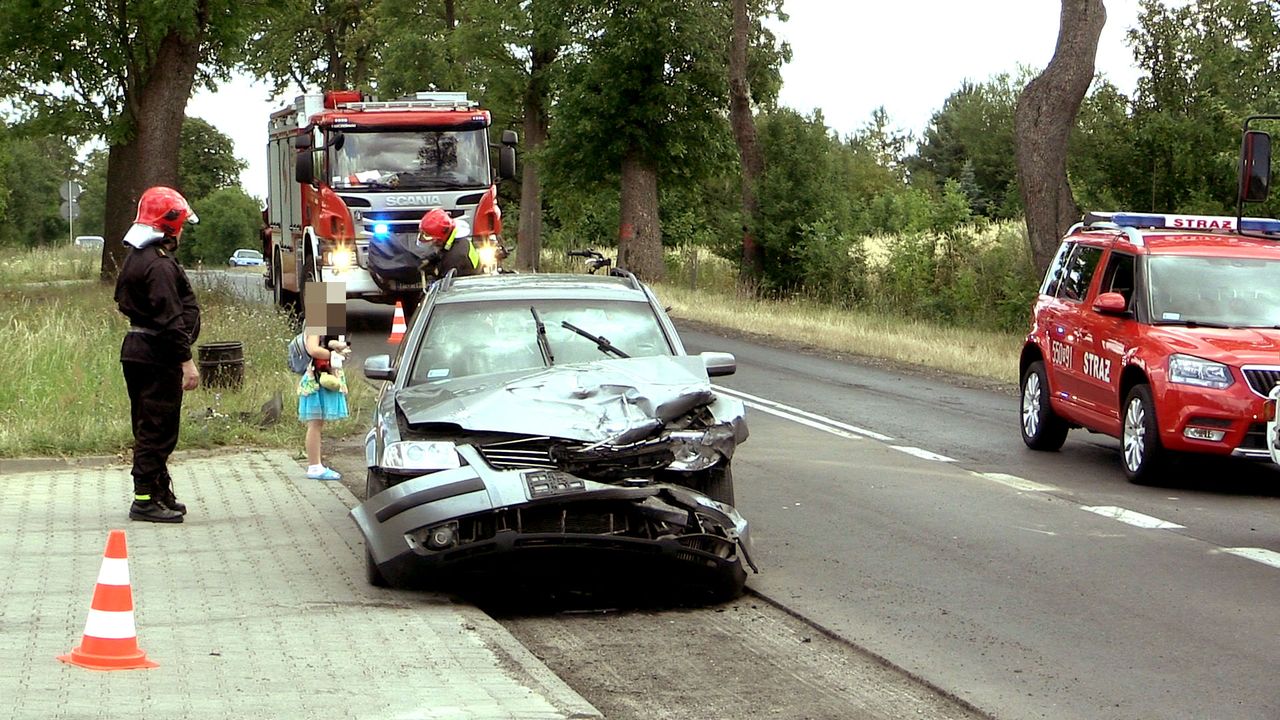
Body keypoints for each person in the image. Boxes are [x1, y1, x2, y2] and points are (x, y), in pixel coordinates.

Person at [114, 186, 201, 524]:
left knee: (149, 426)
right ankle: (145, 499)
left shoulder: (137, 257)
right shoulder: (159, 265)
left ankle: (159, 491)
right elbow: (170, 317)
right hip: (156, 355)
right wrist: (186, 361)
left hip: (138, 350)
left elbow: (124, 301)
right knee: (158, 430)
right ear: (170, 225)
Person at [297, 282, 350, 480]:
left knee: (317, 423)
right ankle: (314, 466)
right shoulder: (315, 324)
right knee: (315, 423)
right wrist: (332, 355)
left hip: (321, 378)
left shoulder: (324, 325)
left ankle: (316, 463)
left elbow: (326, 342)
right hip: (316, 380)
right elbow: (313, 349)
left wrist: (338, 347)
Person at [417, 208, 481, 279]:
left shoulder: (454, 258)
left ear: (440, 239)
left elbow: (445, 285)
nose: (433, 243)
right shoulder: (455, 241)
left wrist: (433, 276)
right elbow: (444, 251)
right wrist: (431, 260)